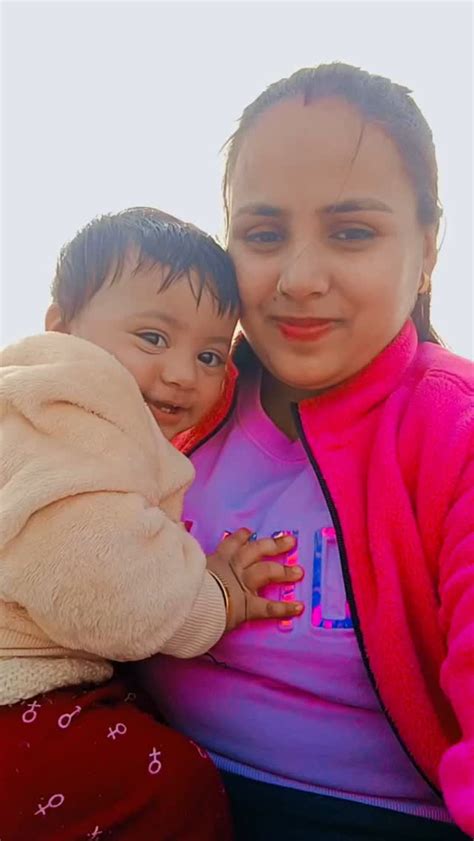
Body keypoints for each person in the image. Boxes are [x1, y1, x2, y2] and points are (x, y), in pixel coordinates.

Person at [137, 65, 474, 840]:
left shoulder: (455, 433)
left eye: (351, 232)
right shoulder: (170, 409)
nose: (299, 278)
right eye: (263, 235)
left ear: (427, 247)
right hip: (150, 783)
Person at [0, 206, 304, 840]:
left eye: (211, 355)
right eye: (153, 338)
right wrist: (215, 595)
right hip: (15, 699)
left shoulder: (36, 406)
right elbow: (108, 594)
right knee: (169, 785)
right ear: (62, 326)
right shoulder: (75, 419)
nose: (181, 374)